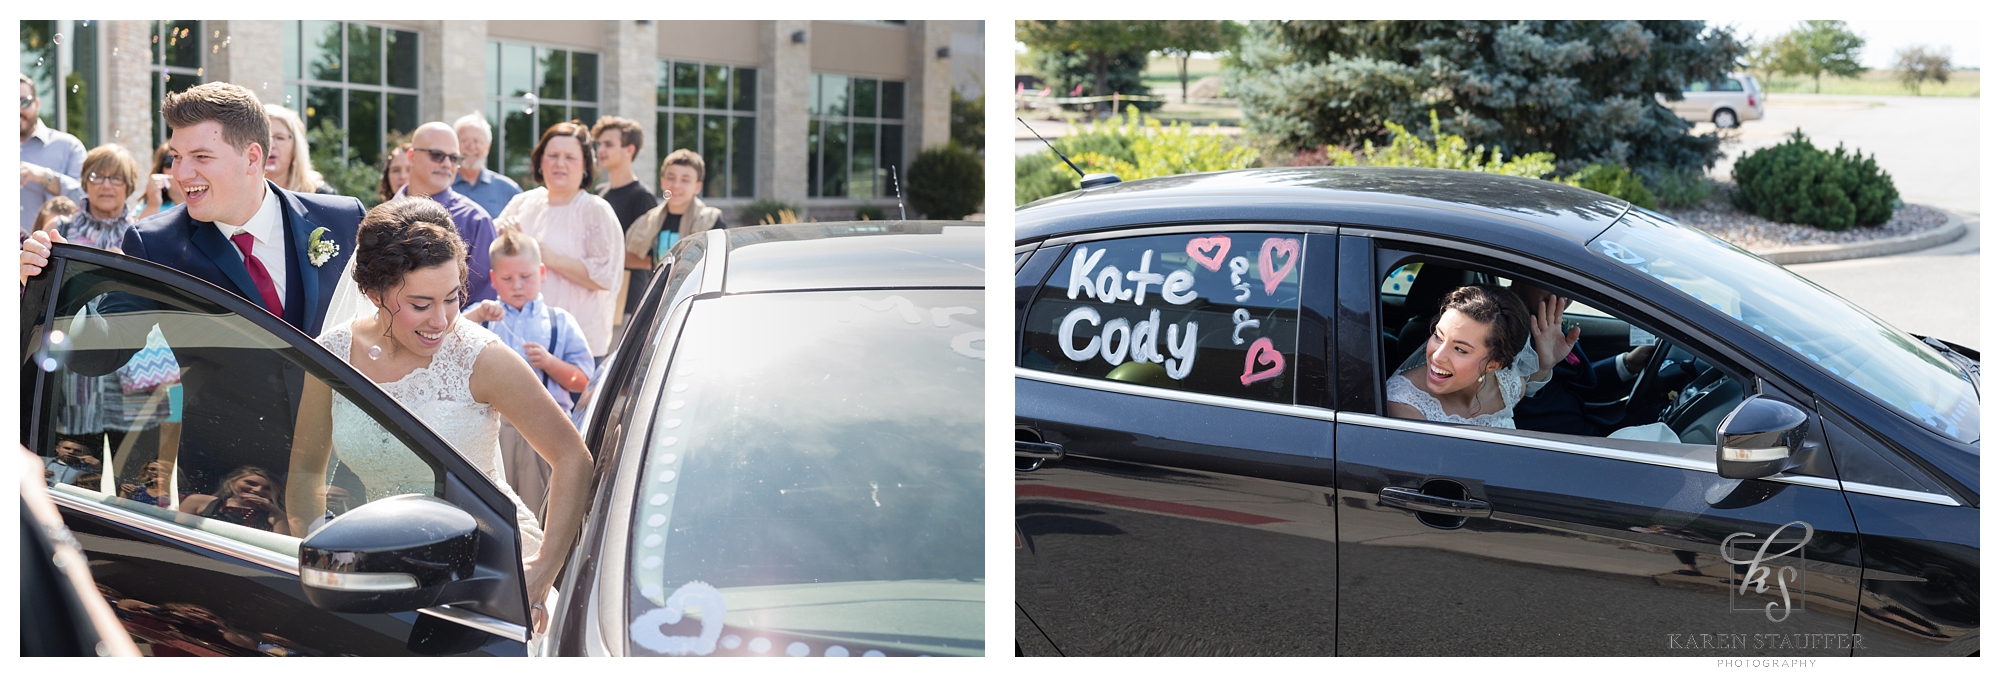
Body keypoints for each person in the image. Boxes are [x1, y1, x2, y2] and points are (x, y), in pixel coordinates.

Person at [288, 198, 590, 630]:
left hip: (490, 570)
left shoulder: (481, 359)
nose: (441, 320)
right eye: (420, 304)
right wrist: (327, 566)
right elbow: (305, 473)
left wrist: (543, 569)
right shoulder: (333, 355)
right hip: (382, 569)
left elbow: (572, 457)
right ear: (374, 294)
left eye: (451, 299)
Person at [20, 81, 363, 338]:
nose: (181, 174)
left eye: (201, 157)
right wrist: (55, 288)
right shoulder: (156, 243)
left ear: (251, 158)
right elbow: (106, 349)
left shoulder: (343, 219)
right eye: (176, 157)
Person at [462, 229, 594, 518]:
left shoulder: (560, 322)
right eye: (507, 279)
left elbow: (583, 381)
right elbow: (448, 338)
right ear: (494, 279)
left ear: (542, 273)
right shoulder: (484, 318)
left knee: (540, 504)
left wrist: (550, 363)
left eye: (525, 277)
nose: (517, 286)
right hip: (495, 431)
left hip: (547, 430)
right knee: (498, 506)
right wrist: (477, 315)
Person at [493, 121, 624, 361]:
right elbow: (493, 259)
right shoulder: (522, 203)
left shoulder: (595, 210)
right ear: (540, 161)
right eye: (552, 156)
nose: (559, 164)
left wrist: (549, 257)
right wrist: (504, 238)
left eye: (570, 157)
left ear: (585, 166)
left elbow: (606, 276)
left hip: (576, 347)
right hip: (521, 344)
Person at [1386, 284, 1572, 428]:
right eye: (1438, 336)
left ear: (1494, 365)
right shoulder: (1403, 402)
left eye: (1460, 349)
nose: (1437, 356)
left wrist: (1545, 364)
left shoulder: (1509, 387)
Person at [1508, 281, 1658, 436]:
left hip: (1584, 426)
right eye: (1552, 279)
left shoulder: (1546, 321)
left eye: (1571, 285)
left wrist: (1628, 364)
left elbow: (1576, 384)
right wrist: (1539, 372)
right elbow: (1506, 407)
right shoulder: (1500, 328)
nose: (1564, 295)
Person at [395, 122, 497, 306]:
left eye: (454, 158)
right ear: (411, 156)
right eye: (437, 155)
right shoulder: (383, 214)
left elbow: (482, 300)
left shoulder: (476, 221)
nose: (447, 164)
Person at [589, 116, 658, 321]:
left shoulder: (642, 197)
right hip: (600, 295)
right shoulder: (600, 192)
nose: (601, 150)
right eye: (600, 144)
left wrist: (600, 257)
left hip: (629, 302)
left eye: (609, 144)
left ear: (629, 150)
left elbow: (649, 259)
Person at [624, 149, 725, 275]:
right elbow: (627, 257)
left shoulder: (710, 222)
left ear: (697, 187)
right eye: (671, 178)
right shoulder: (647, 221)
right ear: (662, 182)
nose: (676, 185)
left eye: (685, 180)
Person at [21, 73, 87, 234]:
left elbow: (88, 201)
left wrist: (48, 177)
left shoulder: (69, 147)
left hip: (52, 247)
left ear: (37, 104)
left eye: (24, 102)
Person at [53, 145, 143, 251]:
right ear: (85, 182)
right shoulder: (57, 229)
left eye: (116, 178)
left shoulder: (142, 237)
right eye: (97, 176)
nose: (106, 186)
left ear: (129, 185)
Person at [451, 111, 522, 220]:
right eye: (464, 141)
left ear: (488, 147)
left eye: (477, 141)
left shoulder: (509, 191)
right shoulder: (440, 186)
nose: (471, 147)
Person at [180, 465, 289, 534]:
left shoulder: (275, 517)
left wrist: (276, 512)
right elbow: (178, 531)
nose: (257, 490)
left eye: (267, 489)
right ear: (232, 481)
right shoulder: (199, 501)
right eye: (250, 483)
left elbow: (281, 548)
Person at [263, 105, 334, 195]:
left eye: (280, 138)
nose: (270, 145)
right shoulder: (244, 195)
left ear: (296, 146)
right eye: (263, 138)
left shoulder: (320, 196)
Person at [135, 142, 185, 220]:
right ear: (161, 170)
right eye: (170, 162)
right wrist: (153, 205)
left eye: (183, 161)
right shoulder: (151, 204)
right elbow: (137, 226)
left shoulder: (202, 205)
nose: (177, 168)